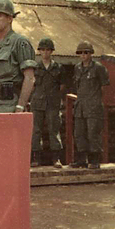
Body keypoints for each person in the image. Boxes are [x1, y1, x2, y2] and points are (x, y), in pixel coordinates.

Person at [0, 0, 37, 114]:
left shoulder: (19, 43)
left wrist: (20, 107)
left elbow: (30, 78)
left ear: (10, 18)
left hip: (7, 106)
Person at [71, 41, 110, 169]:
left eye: (86, 52)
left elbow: (104, 87)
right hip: (80, 105)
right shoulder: (77, 68)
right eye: (81, 53)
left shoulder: (98, 68)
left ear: (91, 54)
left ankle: (94, 160)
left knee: (93, 133)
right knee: (79, 133)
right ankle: (81, 160)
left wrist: (96, 100)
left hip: (93, 106)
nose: (83, 55)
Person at [30, 38, 65, 168]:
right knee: (36, 131)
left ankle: (56, 159)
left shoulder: (58, 67)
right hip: (37, 102)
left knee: (54, 130)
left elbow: (62, 86)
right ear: (39, 52)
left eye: (48, 50)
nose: (45, 52)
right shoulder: (34, 67)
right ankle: (35, 158)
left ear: (51, 51)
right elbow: (31, 86)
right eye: (43, 50)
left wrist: (55, 97)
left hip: (53, 103)